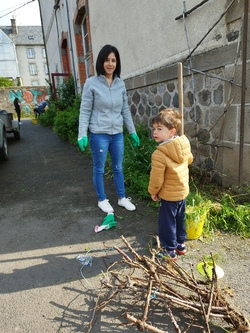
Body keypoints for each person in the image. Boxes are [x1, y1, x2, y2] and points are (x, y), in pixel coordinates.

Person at [78, 44, 140, 214]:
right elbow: (85, 110)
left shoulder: (120, 83)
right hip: (99, 134)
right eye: (107, 60)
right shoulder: (91, 83)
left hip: (117, 134)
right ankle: (102, 199)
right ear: (101, 62)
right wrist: (82, 134)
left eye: (113, 60)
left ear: (117, 63)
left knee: (118, 167)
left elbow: (125, 109)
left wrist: (132, 131)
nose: (110, 63)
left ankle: (122, 198)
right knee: (99, 168)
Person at [148, 108, 193, 260]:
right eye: (154, 128)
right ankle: (181, 244)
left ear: (172, 131)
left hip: (169, 195)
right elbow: (189, 160)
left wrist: (153, 191)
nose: (155, 132)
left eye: (160, 129)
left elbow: (156, 178)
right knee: (180, 218)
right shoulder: (183, 145)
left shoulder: (159, 154)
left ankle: (169, 250)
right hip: (182, 192)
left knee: (167, 223)